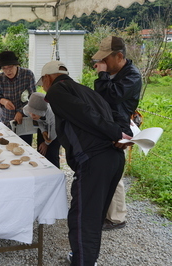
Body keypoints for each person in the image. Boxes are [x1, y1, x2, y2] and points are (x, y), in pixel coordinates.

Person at [39, 60, 132, 265]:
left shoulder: (56, 91)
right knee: (94, 214)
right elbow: (117, 113)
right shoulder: (87, 90)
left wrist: (117, 133)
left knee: (83, 218)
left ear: (48, 78)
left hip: (94, 160)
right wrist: (125, 134)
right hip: (114, 158)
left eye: (43, 83)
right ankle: (85, 257)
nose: (43, 87)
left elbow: (84, 114)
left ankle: (83, 261)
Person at [92, 36, 142, 230]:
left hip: (120, 128)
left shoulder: (132, 75)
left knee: (114, 172)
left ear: (119, 56)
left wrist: (103, 75)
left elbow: (112, 96)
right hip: (109, 125)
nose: (102, 63)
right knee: (106, 169)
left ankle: (117, 217)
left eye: (106, 59)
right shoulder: (115, 72)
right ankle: (107, 210)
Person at [0, 51, 36, 145]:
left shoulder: (28, 75)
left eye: (10, 67)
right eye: (4, 68)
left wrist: (21, 111)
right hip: (6, 120)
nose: (8, 71)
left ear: (16, 65)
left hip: (24, 121)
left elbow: (33, 97)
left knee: (25, 149)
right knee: (6, 149)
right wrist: (2, 100)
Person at [23, 92, 61, 168]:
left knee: (52, 154)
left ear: (42, 112)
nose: (32, 115)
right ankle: (42, 171)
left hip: (57, 128)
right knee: (41, 151)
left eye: (35, 113)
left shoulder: (52, 114)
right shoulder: (26, 111)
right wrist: (43, 131)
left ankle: (55, 173)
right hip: (43, 124)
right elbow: (38, 121)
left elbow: (55, 130)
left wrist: (46, 143)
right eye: (31, 112)